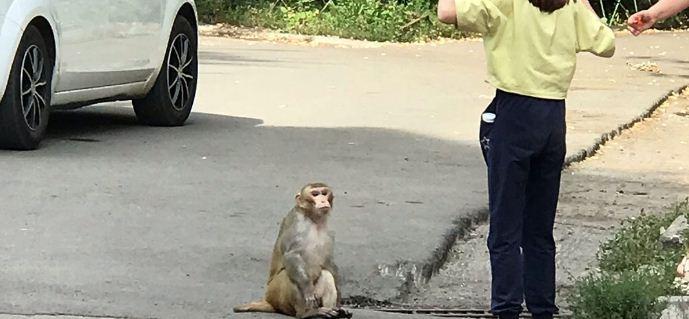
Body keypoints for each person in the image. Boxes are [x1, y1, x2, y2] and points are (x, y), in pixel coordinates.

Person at [436, 0, 615, 318]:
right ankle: (543, 307)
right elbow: (606, 43)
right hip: (553, 117)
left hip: (514, 112)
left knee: (505, 223)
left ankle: (506, 307)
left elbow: (447, 13)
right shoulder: (570, 5)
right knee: (539, 226)